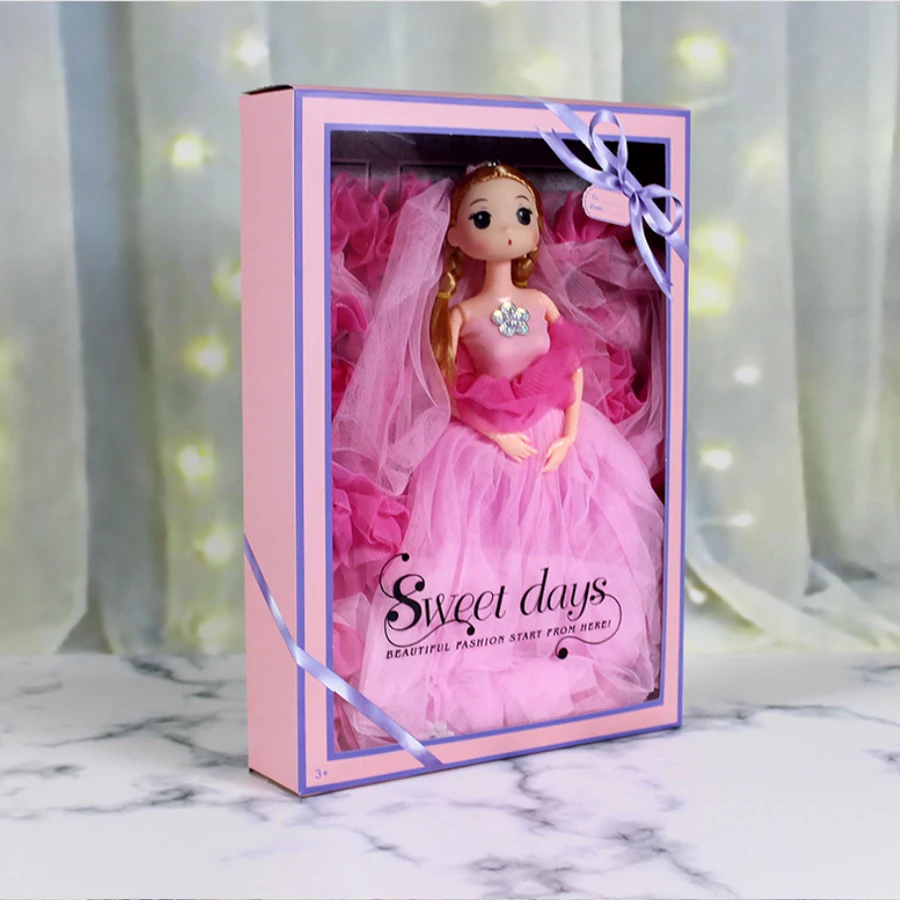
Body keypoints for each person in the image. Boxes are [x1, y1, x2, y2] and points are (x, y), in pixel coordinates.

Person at [332, 163, 665, 748]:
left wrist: (569, 432)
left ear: (535, 230)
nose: (508, 229)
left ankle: (554, 645)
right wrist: (496, 433)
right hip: (481, 452)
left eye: (522, 215)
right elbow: (449, 391)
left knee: (559, 549)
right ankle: (484, 658)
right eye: (484, 218)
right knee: (476, 560)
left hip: (557, 442)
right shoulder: (460, 314)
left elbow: (571, 369)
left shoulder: (541, 304)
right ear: (455, 236)